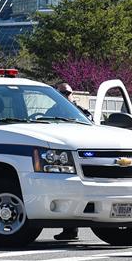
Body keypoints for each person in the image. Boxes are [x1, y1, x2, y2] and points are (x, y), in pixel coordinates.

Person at [53, 82, 91, 241]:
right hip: (64, 158)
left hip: (84, 157)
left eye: (67, 93)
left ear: (72, 94)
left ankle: (71, 229)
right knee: (67, 193)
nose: (65, 96)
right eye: (61, 93)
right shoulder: (50, 112)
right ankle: (70, 230)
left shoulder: (82, 113)